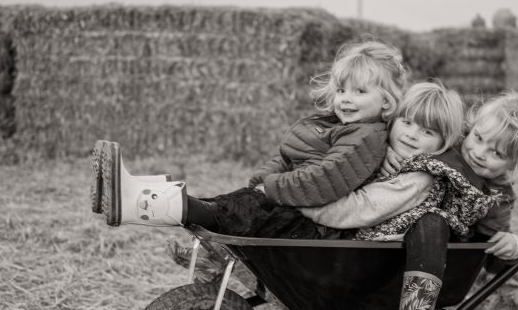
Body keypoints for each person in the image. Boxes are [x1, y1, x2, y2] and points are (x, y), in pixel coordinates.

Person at [303, 90, 518, 310]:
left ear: (517, 163)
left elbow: (487, 252)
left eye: (497, 154)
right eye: (477, 138)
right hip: (373, 241)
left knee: (433, 221)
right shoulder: (445, 146)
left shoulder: (497, 197)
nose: (479, 152)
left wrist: (511, 245)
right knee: (430, 217)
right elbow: (410, 134)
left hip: (428, 261)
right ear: (469, 126)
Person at [92, 39, 409, 239]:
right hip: (287, 203)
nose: (345, 99)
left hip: (309, 226)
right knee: (220, 205)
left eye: (359, 91)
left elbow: (326, 179)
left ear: (386, 101)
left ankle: (134, 202)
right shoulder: (328, 124)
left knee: (219, 213)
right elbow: (285, 155)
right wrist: (260, 181)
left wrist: (269, 188)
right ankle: (134, 194)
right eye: (341, 90)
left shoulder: (367, 137)